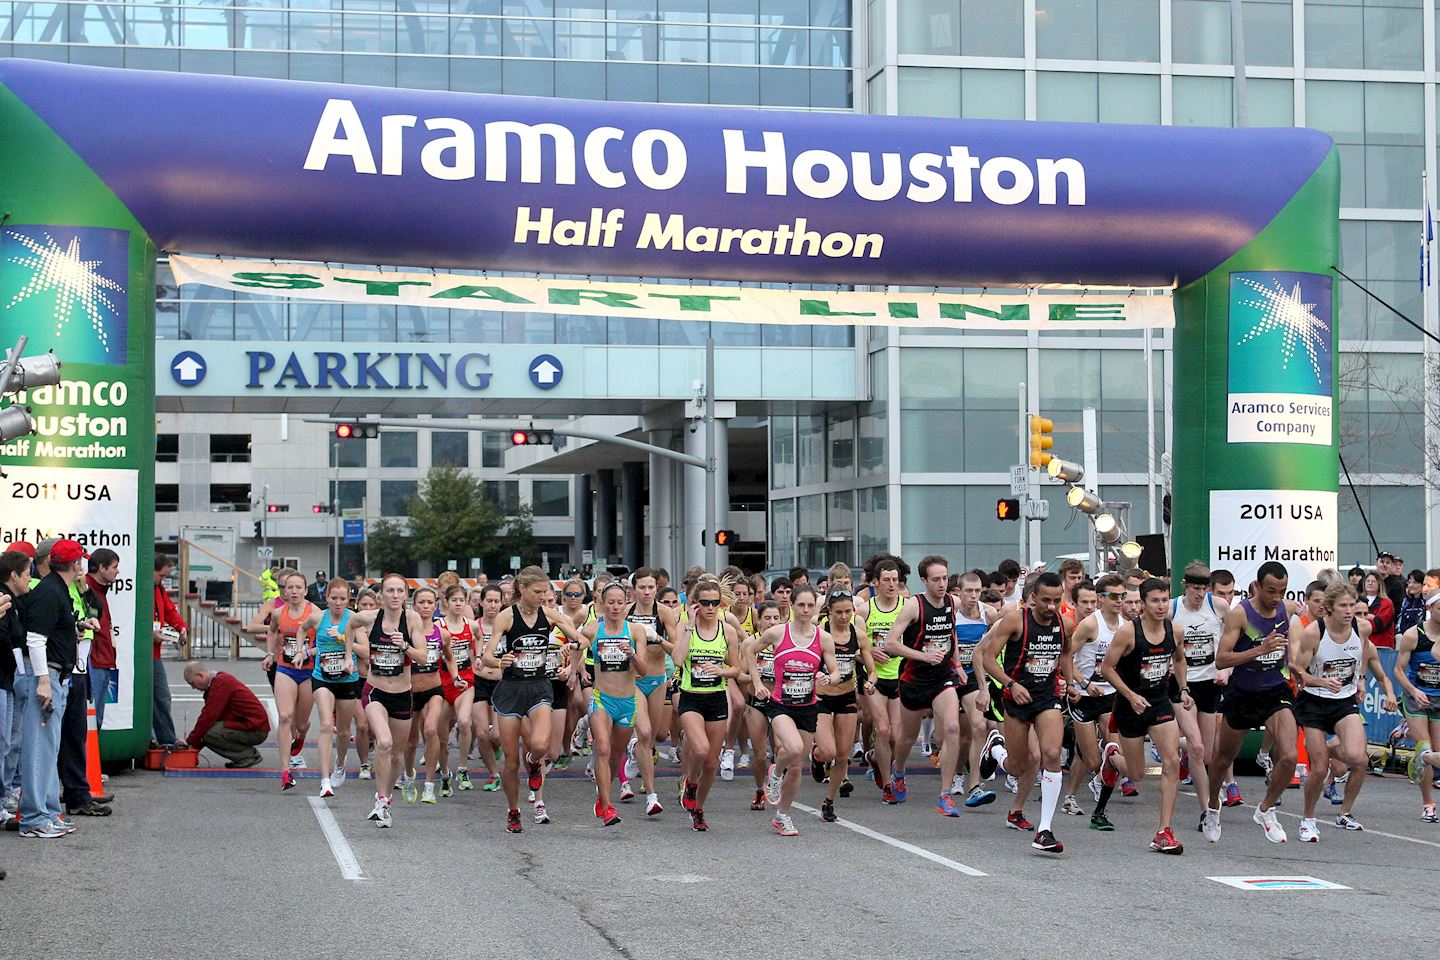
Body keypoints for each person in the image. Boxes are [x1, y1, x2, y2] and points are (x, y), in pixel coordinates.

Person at [481, 566, 585, 834]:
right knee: (511, 762)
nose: (542, 597)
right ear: (523, 589)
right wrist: (500, 660)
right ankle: (513, 811)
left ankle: (534, 762)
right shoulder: (506, 617)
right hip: (511, 691)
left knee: (541, 746)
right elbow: (488, 656)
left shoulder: (549, 614)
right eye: (538, 592)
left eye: (546, 592)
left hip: (539, 687)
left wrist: (572, 646)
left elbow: (581, 639)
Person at [1205, 560, 1301, 844]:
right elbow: (1221, 659)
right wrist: (1260, 649)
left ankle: (1266, 809)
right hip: (1243, 693)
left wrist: (1297, 667)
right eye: (1271, 590)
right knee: (1223, 759)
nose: (1276, 597)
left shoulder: (1287, 608)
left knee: (1290, 757)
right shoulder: (1240, 615)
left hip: (1274, 690)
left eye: (1282, 590)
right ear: (1257, 586)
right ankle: (1212, 806)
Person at [1292, 581, 1396, 839]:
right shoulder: (1314, 633)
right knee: (1319, 768)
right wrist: (1320, 681)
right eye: (1343, 606)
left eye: (1352, 605)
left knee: (1359, 759)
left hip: (1343, 701)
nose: (1349, 611)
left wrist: (1367, 682)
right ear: (1329, 608)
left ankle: (1345, 813)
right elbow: (1297, 671)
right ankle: (1308, 819)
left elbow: (1366, 657)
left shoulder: (1362, 628)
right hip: (1314, 700)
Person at [975, 571, 1068, 853]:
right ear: (1033, 598)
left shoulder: (1064, 623)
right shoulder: (1016, 620)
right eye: (1046, 601)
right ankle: (995, 749)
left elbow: (1065, 653)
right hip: (1016, 696)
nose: (1051, 607)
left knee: (1050, 755)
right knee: (1017, 766)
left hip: (1047, 696)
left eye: (1057, 601)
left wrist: (1071, 682)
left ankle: (1045, 829)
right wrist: (1011, 684)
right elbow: (988, 658)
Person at [1098, 577, 1189, 854]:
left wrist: (1183, 689)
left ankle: (1164, 831)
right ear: (1143, 605)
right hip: (1130, 706)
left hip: (1159, 702)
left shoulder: (1175, 631)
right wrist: (1129, 695)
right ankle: (1112, 757)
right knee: (1136, 773)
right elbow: (1107, 668)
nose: (1161, 606)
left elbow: (1180, 659)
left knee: (1171, 760)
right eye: (1155, 601)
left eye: (1165, 600)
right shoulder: (1128, 633)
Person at [746, 583, 837, 836]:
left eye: (810, 605)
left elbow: (836, 670)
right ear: (792, 606)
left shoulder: (823, 637)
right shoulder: (777, 633)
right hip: (780, 705)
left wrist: (829, 678)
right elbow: (748, 649)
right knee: (794, 749)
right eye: (801, 605)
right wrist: (755, 683)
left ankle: (782, 816)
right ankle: (775, 771)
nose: (806, 610)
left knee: (797, 765)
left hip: (808, 707)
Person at [15, 537, 86, 838]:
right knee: (39, 750)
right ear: (74, 564)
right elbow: (35, 639)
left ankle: (46, 811)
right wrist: (43, 680)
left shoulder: (55, 589)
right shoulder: (51, 592)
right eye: (81, 560)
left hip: (53, 676)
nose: (83, 565)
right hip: (45, 677)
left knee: (47, 748)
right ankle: (34, 818)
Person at [886, 555, 967, 818]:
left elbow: (950, 634)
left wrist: (956, 665)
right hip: (914, 678)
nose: (942, 584)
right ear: (924, 580)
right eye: (936, 579)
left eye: (945, 578)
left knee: (953, 727)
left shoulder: (952, 603)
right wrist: (923, 656)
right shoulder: (914, 605)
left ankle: (945, 795)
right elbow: (890, 643)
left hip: (942, 678)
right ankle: (898, 772)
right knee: (907, 738)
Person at [348, 573, 430, 827]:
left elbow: (424, 657)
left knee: (397, 755)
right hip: (375, 691)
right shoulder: (370, 618)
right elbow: (349, 625)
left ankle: (388, 798)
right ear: (381, 594)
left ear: (406, 594)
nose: (395, 596)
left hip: (403, 695)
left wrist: (404, 646)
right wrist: (347, 655)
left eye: (399, 591)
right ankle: (380, 800)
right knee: (383, 742)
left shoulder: (413, 619)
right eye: (390, 591)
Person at [674, 576, 742, 832]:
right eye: (705, 603)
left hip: (716, 698)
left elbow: (737, 668)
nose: (711, 608)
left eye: (715, 603)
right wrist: (690, 625)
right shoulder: (685, 627)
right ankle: (691, 782)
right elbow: (679, 660)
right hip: (691, 697)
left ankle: (698, 809)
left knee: (712, 763)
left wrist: (721, 671)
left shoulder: (728, 631)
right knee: (700, 749)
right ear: (695, 604)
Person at [582, 581, 649, 826]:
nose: (615, 607)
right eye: (610, 602)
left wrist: (631, 653)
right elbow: (578, 645)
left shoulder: (635, 631)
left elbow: (644, 669)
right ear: (602, 604)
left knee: (615, 755)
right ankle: (608, 808)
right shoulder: (592, 629)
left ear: (626, 604)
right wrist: (574, 668)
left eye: (620, 602)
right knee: (602, 748)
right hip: (601, 699)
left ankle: (602, 797)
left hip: (627, 701)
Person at [1061, 573, 1124, 824]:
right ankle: (1072, 794)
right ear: (1101, 599)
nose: (1119, 601)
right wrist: (1082, 683)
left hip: (1109, 697)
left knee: (1114, 753)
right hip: (1083, 697)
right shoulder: (1090, 625)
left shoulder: (1125, 625)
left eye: (1122, 596)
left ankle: (1098, 808)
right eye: (1114, 596)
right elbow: (1065, 657)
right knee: (1092, 760)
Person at [810, 588, 875, 821]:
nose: (844, 616)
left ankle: (828, 802)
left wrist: (871, 683)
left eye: (848, 611)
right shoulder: (819, 632)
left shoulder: (858, 634)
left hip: (846, 696)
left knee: (842, 755)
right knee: (828, 750)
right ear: (829, 611)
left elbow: (872, 670)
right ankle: (817, 758)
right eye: (839, 612)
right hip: (822, 697)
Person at [626, 567, 681, 817]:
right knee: (645, 733)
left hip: (659, 679)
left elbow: (678, 652)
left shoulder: (665, 612)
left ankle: (634, 748)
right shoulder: (625, 613)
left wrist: (657, 638)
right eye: (642, 587)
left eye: (651, 587)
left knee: (659, 735)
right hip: (633, 680)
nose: (647, 592)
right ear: (634, 589)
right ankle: (652, 795)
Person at [304, 578, 362, 798]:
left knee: (345, 731)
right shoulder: (319, 617)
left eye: (343, 598)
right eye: (333, 598)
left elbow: (365, 650)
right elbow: (302, 630)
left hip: (347, 679)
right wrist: (302, 650)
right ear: (326, 597)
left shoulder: (354, 620)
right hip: (322, 678)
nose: (338, 602)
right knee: (327, 725)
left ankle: (340, 763)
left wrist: (344, 638)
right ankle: (325, 780)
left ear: (349, 599)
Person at [265, 571, 317, 791]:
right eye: (290, 587)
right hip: (285, 668)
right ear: (284, 591)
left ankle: (302, 734)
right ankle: (285, 771)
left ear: (305, 591)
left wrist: (307, 652)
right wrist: (269, 654)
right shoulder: (278, 613)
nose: (294, 591)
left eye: (298, 587)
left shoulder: (315, 613)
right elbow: (271, 631)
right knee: (285, 717)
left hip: (308, 671)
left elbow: (324, 641)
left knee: (301, 723)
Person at [857, 558, 903, 802]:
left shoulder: (907, 608)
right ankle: (887, 786)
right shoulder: (865, 610)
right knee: (883, 730)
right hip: (874, 678)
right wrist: (868, 653)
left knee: (896, 735)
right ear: (875, 582)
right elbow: (852, 649)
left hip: (900, 676)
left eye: (895, 580)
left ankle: (876, 758)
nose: (891, 584)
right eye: (886, 580)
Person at [1397, 572, 1440, 819]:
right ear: (1430, 608)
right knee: (1425, 748)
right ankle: (1428, 805)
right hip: (1417, 698)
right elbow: (1398, 670)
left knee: (1434, 756)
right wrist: (1413, 690)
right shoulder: (1414, 635)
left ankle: (1420, 757)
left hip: (1439, 700)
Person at [182, 662, 271, 767]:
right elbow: (210, 720)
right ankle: (246, 755)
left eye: (192, 683)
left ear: (200, 675)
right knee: (208, 731)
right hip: (250, 726)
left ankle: (247, 756)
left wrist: (190, 742)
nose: (193, 687)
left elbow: (208, 718)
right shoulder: (218, 682)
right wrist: (192, 749)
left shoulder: (220, 683)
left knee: (210, 734)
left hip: (255, 729)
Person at [0, 550, 30, 837]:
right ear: (13, 575)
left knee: (8, 740)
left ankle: (6, 793)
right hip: (5, 678)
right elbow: (6, 638)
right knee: (4, 741)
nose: (30, 578)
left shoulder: (18, 602)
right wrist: (16, 665)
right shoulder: (5, 600)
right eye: (27, 573)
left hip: (8, 679)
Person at [151, 555, 188, 749]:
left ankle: (165, 737)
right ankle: (159, 737)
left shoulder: (158, 588)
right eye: (161, 575)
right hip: (146, 654)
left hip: (153, 654)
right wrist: (150, 635)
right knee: (157, 696)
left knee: (161, 696)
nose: (163, 580)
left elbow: (170, 610)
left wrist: (181, 627)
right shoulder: (145, 589)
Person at [84, 549, 120, 733]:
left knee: (95, 720)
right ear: (101, 568)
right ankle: (85, 762)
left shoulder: (99, 591)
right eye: (114, 567)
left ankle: (89, 761)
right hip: (94, 662)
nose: (118, 571)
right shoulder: (87, 590)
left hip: (103, 661)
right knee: (91, 721)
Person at [1359, 571, 1396, 649]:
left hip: (1381, 646)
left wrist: (1363, 620)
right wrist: (1371, 617)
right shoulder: (1357, 601)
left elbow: (1379, 624)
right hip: (1361, 645)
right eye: (1368, 581)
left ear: (1379, 584)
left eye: (1373, 581)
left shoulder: (1387, 603)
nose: (1370, 583)